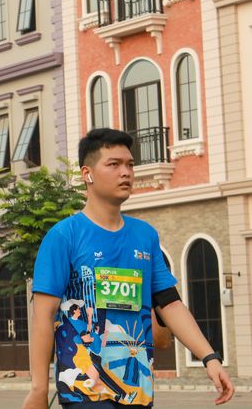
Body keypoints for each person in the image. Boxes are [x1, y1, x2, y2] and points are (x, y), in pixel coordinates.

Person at [23, 128, 235, 408]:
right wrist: (39, 389)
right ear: (87, 174)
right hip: (85, 392)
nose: (126, 172)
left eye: (130, 165)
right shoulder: (64, 236)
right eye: (114, 164)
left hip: (137, 391)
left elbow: (170, 304)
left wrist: (210, 358)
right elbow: (43, 316)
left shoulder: (145, 236)